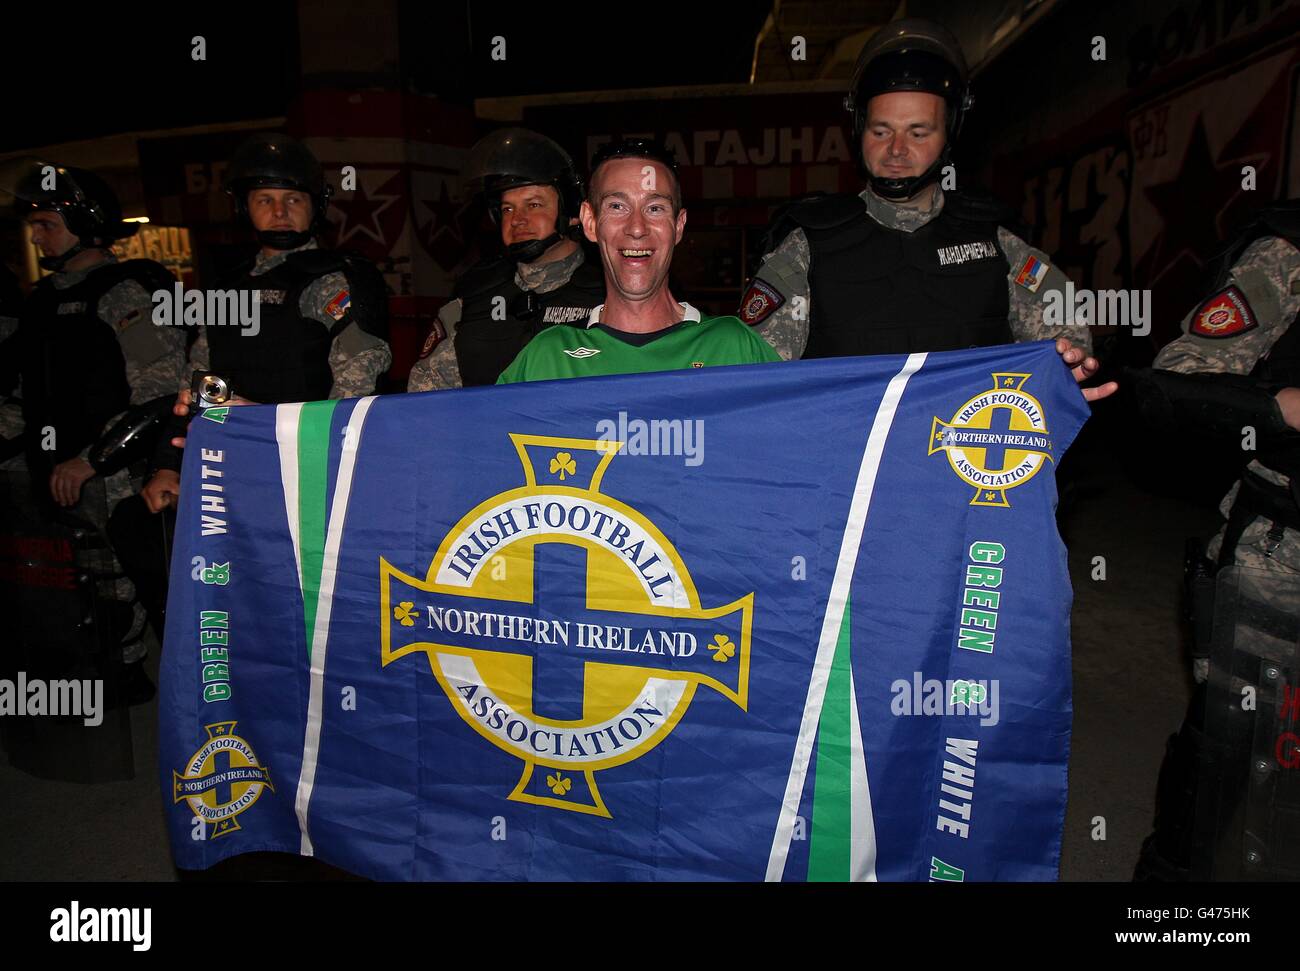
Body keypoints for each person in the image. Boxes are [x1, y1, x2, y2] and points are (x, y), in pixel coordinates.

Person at [739, 18, 1113, 401]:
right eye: (881, 131)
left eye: (918, 133)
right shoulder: (805, 248)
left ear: (949, 134)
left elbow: (1065, 335)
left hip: (967, 451)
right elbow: (757, 380)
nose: (897, 149)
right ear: (859, 130)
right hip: (849, 455)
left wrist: (1062, 367)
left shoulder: (999, 244)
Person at [109, 133, 391, 638]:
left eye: (293, 200)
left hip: (308, 472)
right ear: (244, 208)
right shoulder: (225, 287)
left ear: (314, 208)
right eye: (265, 200)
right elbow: (192, 382)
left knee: (304, 618)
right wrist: (168, 468)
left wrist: (264, 422)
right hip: (227, 473)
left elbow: (355, 397)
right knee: (138, 530)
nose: (280, 211)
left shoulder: (335, 281)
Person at [1131, 199, 1300, 879]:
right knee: (1223, 782)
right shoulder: (1287, 256)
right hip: (1281, 566)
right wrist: (1278, 409)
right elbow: (1175, 385)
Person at [1, 161, 185, 700]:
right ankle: (108, 682)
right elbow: (23, 394)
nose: (37, 235)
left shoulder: (127, 292)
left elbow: (163, 391)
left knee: (130, 588)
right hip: (52, 472)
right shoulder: (41, 301)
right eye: (34, 224)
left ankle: (164, 695)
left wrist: (91, 460)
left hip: (118, 474)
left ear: (86, 222)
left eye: (48, 223)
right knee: (74, 590)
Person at [498, 139, 779, 384]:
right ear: (590, 221)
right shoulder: (548, 358)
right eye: (617, 206)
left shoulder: (734, 349)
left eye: (655, 208)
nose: (636, 227)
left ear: (678, 226)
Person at [407, 128, 604, 391]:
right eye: (507, 208)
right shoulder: (473, 294)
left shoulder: (609, 292)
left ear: (571, 211)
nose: (517, 219)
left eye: (533, 205)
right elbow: (426, 394)